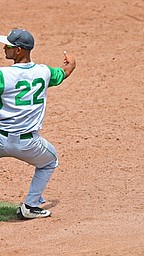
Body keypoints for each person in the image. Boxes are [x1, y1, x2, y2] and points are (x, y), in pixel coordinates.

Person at [0, 29, 76, 219]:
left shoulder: (2, 75)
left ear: (18, 50)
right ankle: (31, 206)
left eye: (8, 45)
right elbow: (65, 73)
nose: (4, 48)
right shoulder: (44, 72)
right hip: (28, 144)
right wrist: (72, 63)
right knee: (50, 161)